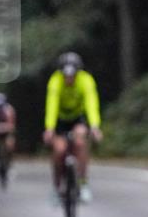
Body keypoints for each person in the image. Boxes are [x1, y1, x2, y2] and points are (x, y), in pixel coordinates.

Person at [43, 52, 103, 204]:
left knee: (80, 142)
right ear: (61, 73)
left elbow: (91, 103)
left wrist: (95, 126)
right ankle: (56, 187)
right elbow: (51, 105)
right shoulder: (55, 81)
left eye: (72, 75)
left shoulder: (86, 80)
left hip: (78, 118)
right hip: (60, 119)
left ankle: (83, 183)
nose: (69, 79)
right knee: (59, 151)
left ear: (78, 72)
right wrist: (49, 128)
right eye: (66, 75)